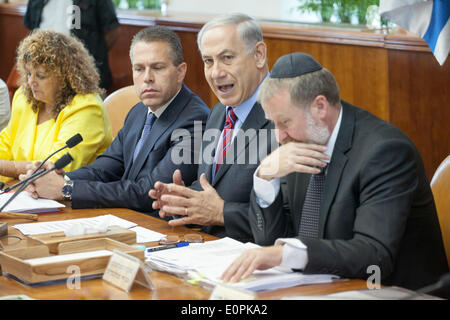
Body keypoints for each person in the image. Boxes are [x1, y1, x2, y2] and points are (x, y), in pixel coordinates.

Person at [220, 52, 449, 292]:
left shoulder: (385, 152)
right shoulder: (300, 142)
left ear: (320, 106)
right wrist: (265, 177)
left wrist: (286, 254)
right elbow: (270, 243)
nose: (279, 136)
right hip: (319, 288)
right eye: (274, 123)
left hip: (393, 292)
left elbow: (374, 254)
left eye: (285, 122)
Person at [26, 26, 209, 214]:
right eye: (139, 69)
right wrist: (57, 179)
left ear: (180, 72)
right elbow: (104, 169)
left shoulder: (195, 121)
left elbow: (150, 193)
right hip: (126, 220)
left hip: (162, 228)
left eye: (157, 68)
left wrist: (68, 189)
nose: (147, 78)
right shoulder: (138, 112)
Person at [149, 13, 276, 242]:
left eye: (227, 58)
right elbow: (213, 186)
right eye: (208, 61)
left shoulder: (284, 115)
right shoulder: (219, 112)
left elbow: (293, 219)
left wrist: (221, 213)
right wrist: (185, 201)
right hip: (208, 252)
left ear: (258, 55)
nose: (216, 72)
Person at [0, 29, 112, 183]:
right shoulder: (24, 98)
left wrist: (7, 167)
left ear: (65, 77)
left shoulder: (87, 109)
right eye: (28, 73)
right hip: (23, 193)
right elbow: (6, 142)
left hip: (70, 199)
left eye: (41, 76)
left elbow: (54, 169)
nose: (31, 82)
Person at [24, 0, 120, 92]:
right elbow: (31, 29)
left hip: (84, 74)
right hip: (43, 74)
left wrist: (90, 57)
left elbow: (112, 30)